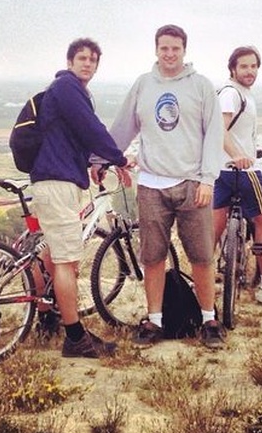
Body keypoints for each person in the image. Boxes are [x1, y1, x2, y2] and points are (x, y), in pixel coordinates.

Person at [104, 24, 225, 348]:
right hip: (151, 185)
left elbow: (214, 135)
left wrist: (207, 179)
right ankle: (155, 320)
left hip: (191, 184)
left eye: (175, 48)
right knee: (153, 256)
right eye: (164, 48)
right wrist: (101, 158)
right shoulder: (143, 85)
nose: (169, 54)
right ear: (156, 50)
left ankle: (209, 319)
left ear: (184, 50)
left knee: (201, 256)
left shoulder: (200, 86)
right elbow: (123, 127)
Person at [29, 38, 131, 358]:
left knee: (52, 252)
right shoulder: (67, 87)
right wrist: (119, 158)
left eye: (93, 60)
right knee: (67, 262)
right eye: (82, 58)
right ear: (70, 61)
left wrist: (95, 163)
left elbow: (74, 136)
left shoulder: (71, 90)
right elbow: (91, 128)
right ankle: (75, 337)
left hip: (59, 179)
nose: (88, 64)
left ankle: (46, 313)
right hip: (57, 182)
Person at [212, 46, 262, 307]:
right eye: (244, 66)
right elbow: (219, 131)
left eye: (254, 66)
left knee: (213, 228)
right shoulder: (232, 94)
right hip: (241, 171)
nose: (250, 71)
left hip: (217, 170)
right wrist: (238, 154)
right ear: (233, 68)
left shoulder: (235, 93)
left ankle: (199, 279)